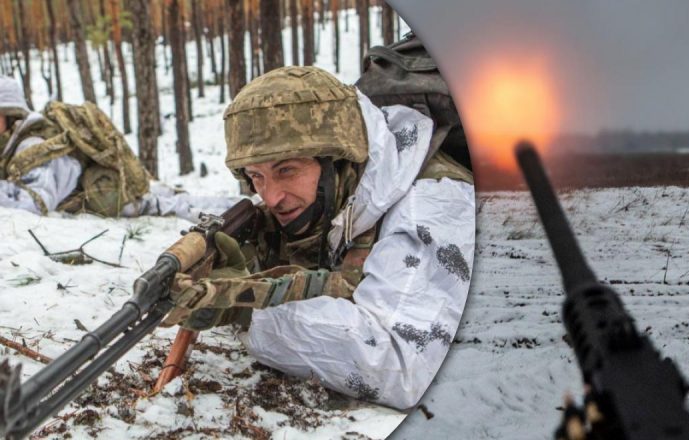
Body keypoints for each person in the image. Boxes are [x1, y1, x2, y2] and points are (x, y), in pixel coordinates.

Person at [166, 66, 476, 410]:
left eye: (286, 170)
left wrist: (245, 308)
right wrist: (245, 265)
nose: (271, 197)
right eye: (256, 176)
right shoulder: (347, 195)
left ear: (339, 161)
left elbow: (406, 368)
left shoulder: (430, 206)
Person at [0, 76, 236, 221]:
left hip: (115, 197)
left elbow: (37, 202)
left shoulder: (31, 146)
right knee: (178, 200)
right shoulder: (21, 140)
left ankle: (242, 208)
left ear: (10, 115)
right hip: (113, 187)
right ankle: (241, 204)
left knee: (182, 208)